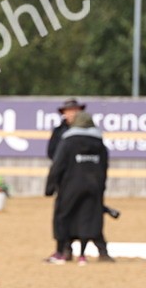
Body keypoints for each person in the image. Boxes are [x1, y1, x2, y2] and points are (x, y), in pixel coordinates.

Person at [45, 110, 112, 264]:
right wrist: (101, 187)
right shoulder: (99, 143)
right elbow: (104, 167)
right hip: (94, 186)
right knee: (88, 218)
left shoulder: (68, 141)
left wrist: (50, 186)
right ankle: (86, 254)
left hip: (70, 185)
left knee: (63, 216)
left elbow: (58, 165)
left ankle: (63, 251)